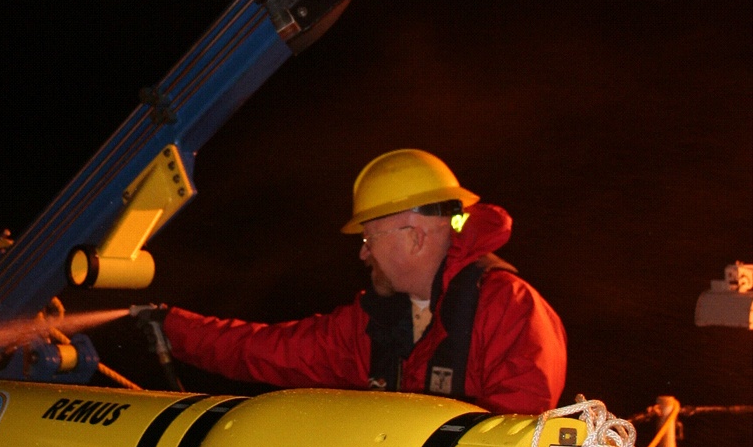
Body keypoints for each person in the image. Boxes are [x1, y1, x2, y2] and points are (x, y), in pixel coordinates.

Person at [159, 149, 567, 415]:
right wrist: (171, 328)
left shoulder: (510, 309)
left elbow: (519, 436)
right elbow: (266, 350)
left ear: (415, 235)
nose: (363, 253)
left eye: (370, 238)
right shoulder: (370, 324)